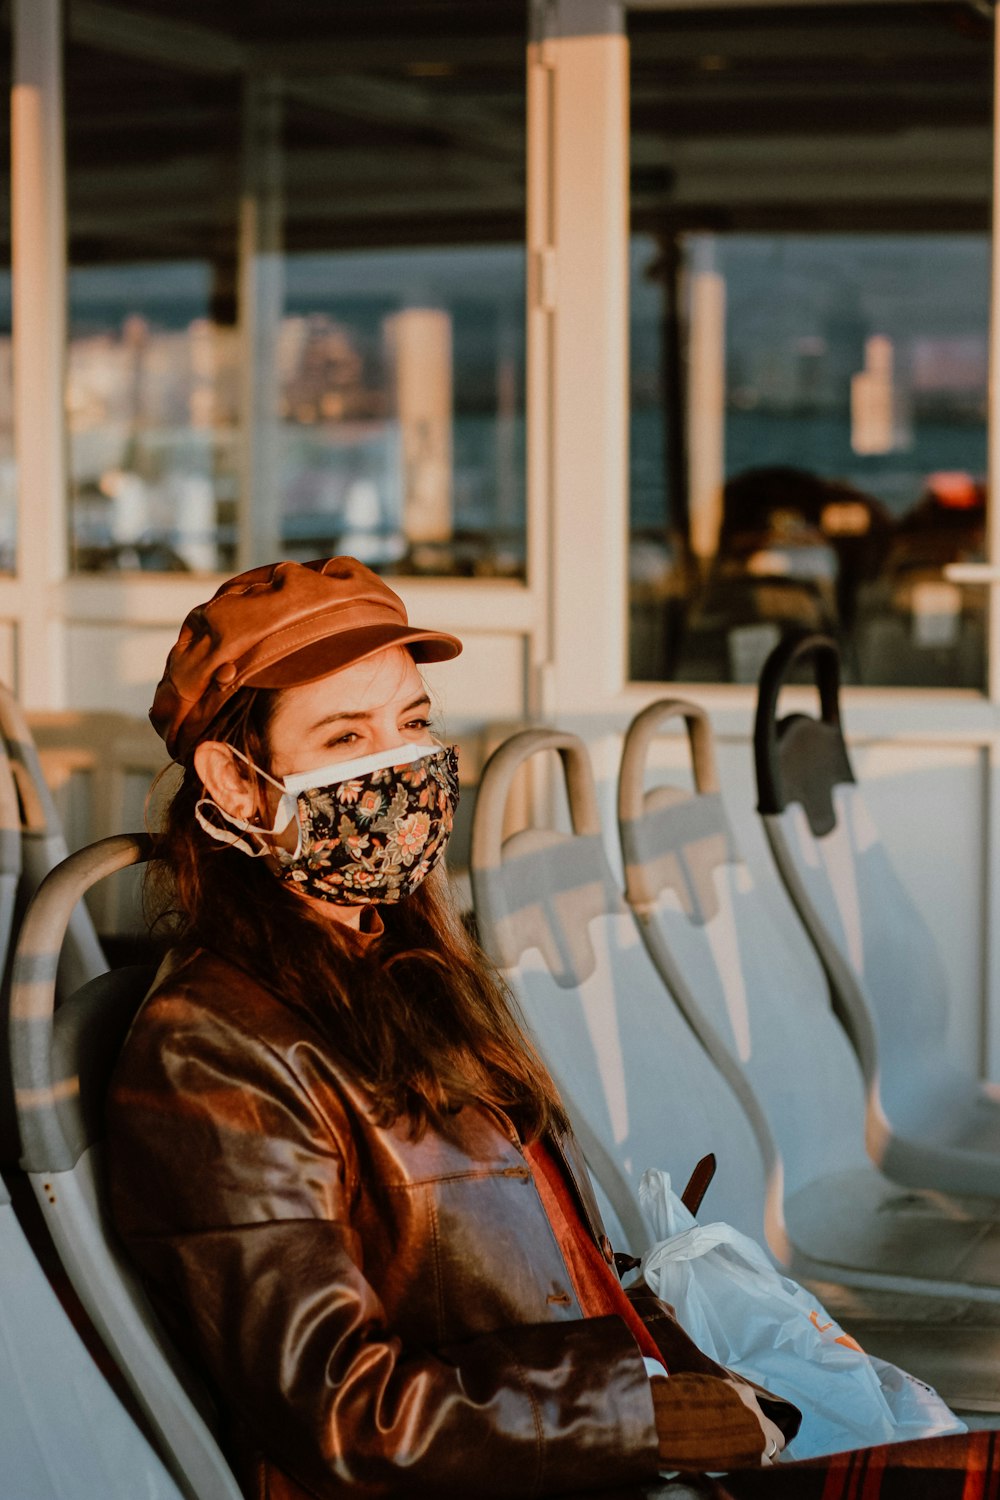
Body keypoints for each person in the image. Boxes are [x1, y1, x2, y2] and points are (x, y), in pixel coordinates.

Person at [106, 556, 991, 1500]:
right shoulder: (211, 1051)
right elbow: (342, 1411)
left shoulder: (400, 968)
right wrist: (643, 1416)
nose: (401, 768)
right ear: (237, 786)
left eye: (412, 723)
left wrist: (681, 1365)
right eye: (344, 737)